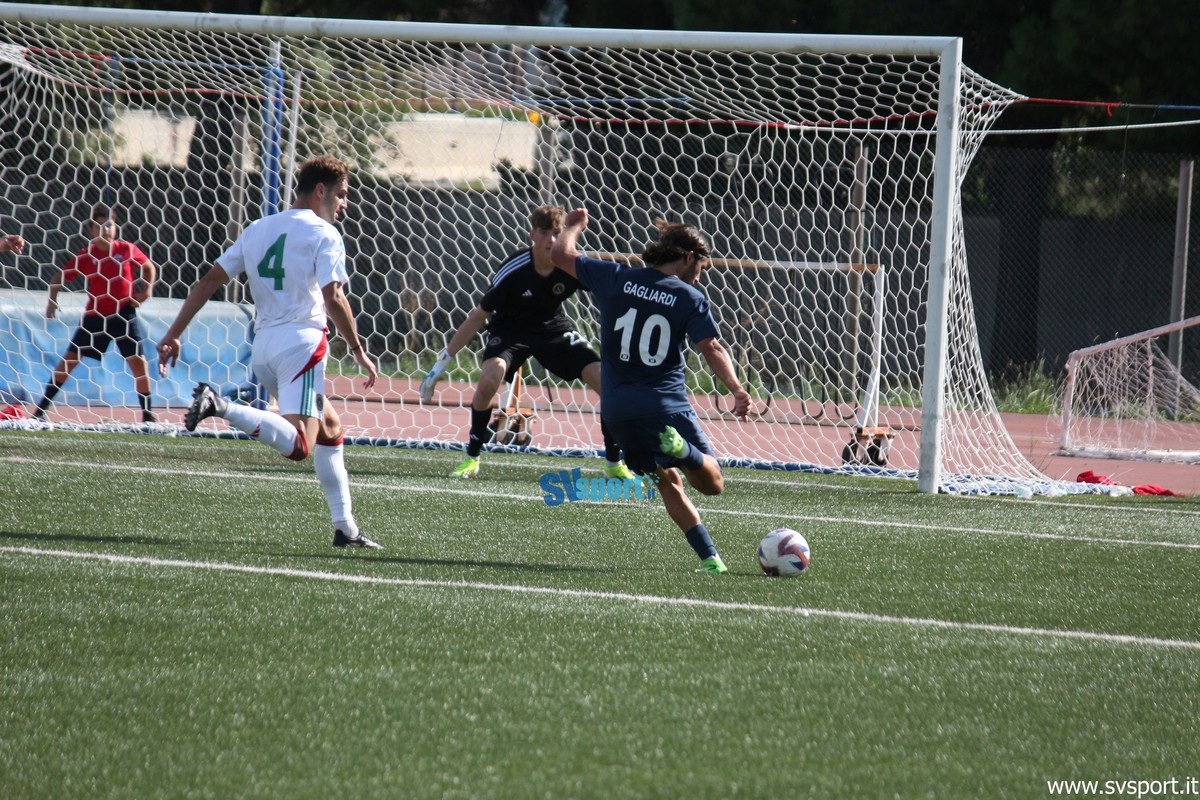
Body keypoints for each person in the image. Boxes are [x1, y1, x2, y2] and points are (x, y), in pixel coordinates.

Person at [157, 155, 382, 550]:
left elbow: (207, 282)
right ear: (320, 191)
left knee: (330, 429)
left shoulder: (258, 228)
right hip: (302, 346)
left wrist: (174, 333)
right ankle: (220, 405)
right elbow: (334, 296)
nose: (344, 204)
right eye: (342, 195)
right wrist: (358, 348)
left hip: (263, 350)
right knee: (300, 446)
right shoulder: (325, 233)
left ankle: (346, 530)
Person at [550, 208, 752, 574]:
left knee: (667, 481)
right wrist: (736, 389)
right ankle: (683, 450)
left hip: (618, 411)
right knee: (713, 485)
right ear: (688, 257)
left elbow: (560, 254)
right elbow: (711, 347)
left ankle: (711, 559)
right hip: (664, 405)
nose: (700, 274)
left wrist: (573, 226)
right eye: (702, 265)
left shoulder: (616, 277)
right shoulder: (689, 297)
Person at [420, 204, 635, 482]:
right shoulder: (514, 270)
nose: (551, 239)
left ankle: (614, 462)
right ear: (532, 234)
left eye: (557, 232)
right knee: (490, 380)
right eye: (544, 232)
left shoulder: (572, 265)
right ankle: (472, 458)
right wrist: (440, 365)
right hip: (511, 331)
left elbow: (614, 284)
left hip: (553, 329)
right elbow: (477, 317)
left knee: (605, 381)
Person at [32, 205, 158, 423]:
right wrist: (52, 302)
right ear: (91, 230)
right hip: (96, 317)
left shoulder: (126, 249)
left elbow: (149, 267)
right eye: (99, 226)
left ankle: (148, 415)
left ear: (115, 228)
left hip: (123, 314)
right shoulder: (87, 255)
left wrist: (146, 290)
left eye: (109, 225)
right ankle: (40, 411)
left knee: (139, 363)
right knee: (68, 361)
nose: (105, 229)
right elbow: (57, 278)